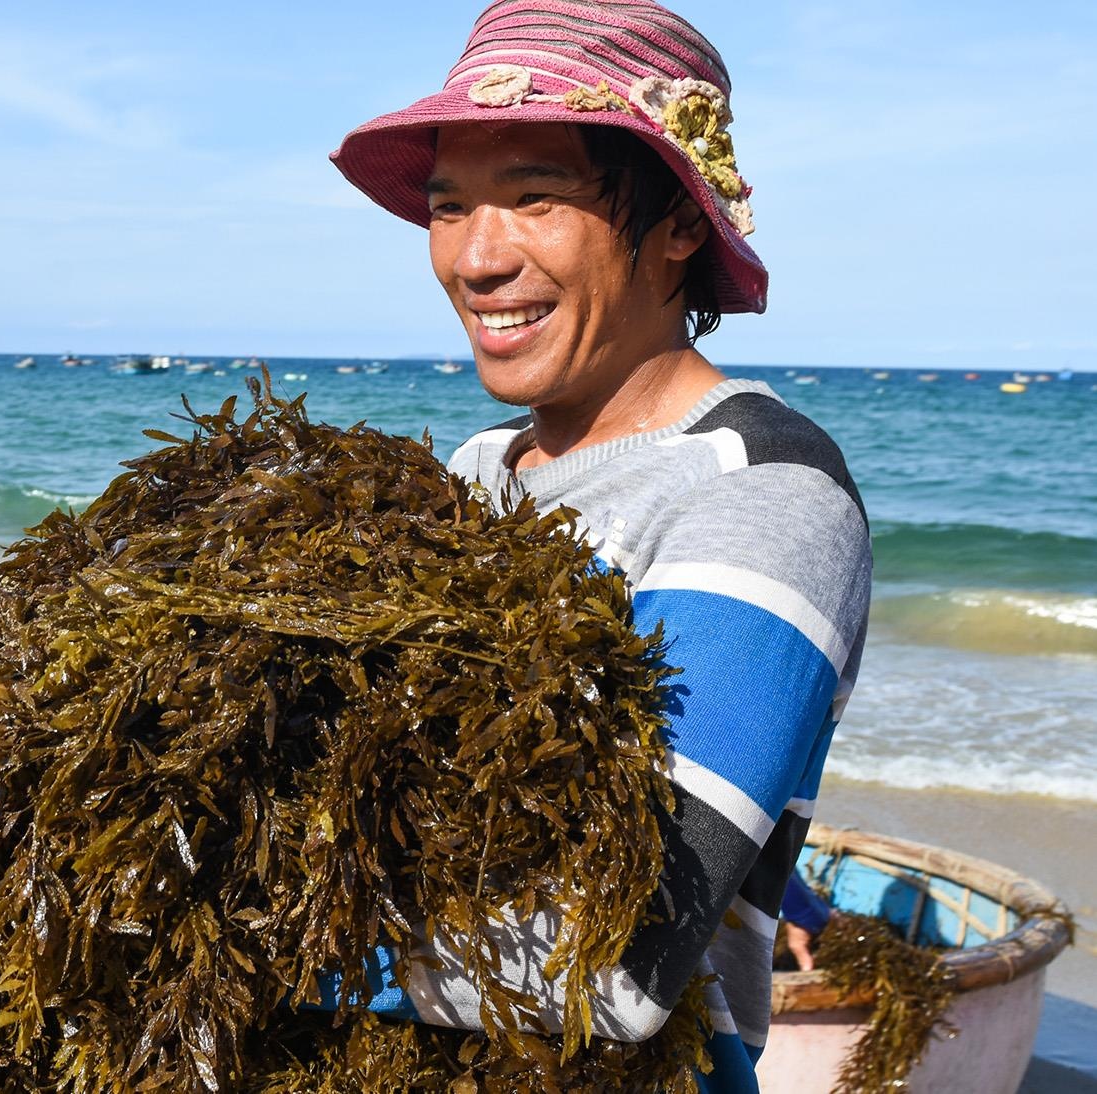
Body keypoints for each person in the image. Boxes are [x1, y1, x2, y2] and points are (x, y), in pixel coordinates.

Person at [321, 2, 873, 1089]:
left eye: (535, 196)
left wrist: (181, 928)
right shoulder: (459, 479)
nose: (475, 258)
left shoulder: (766, 491)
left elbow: (610, 956)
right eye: (448, 207)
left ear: (676, 223)